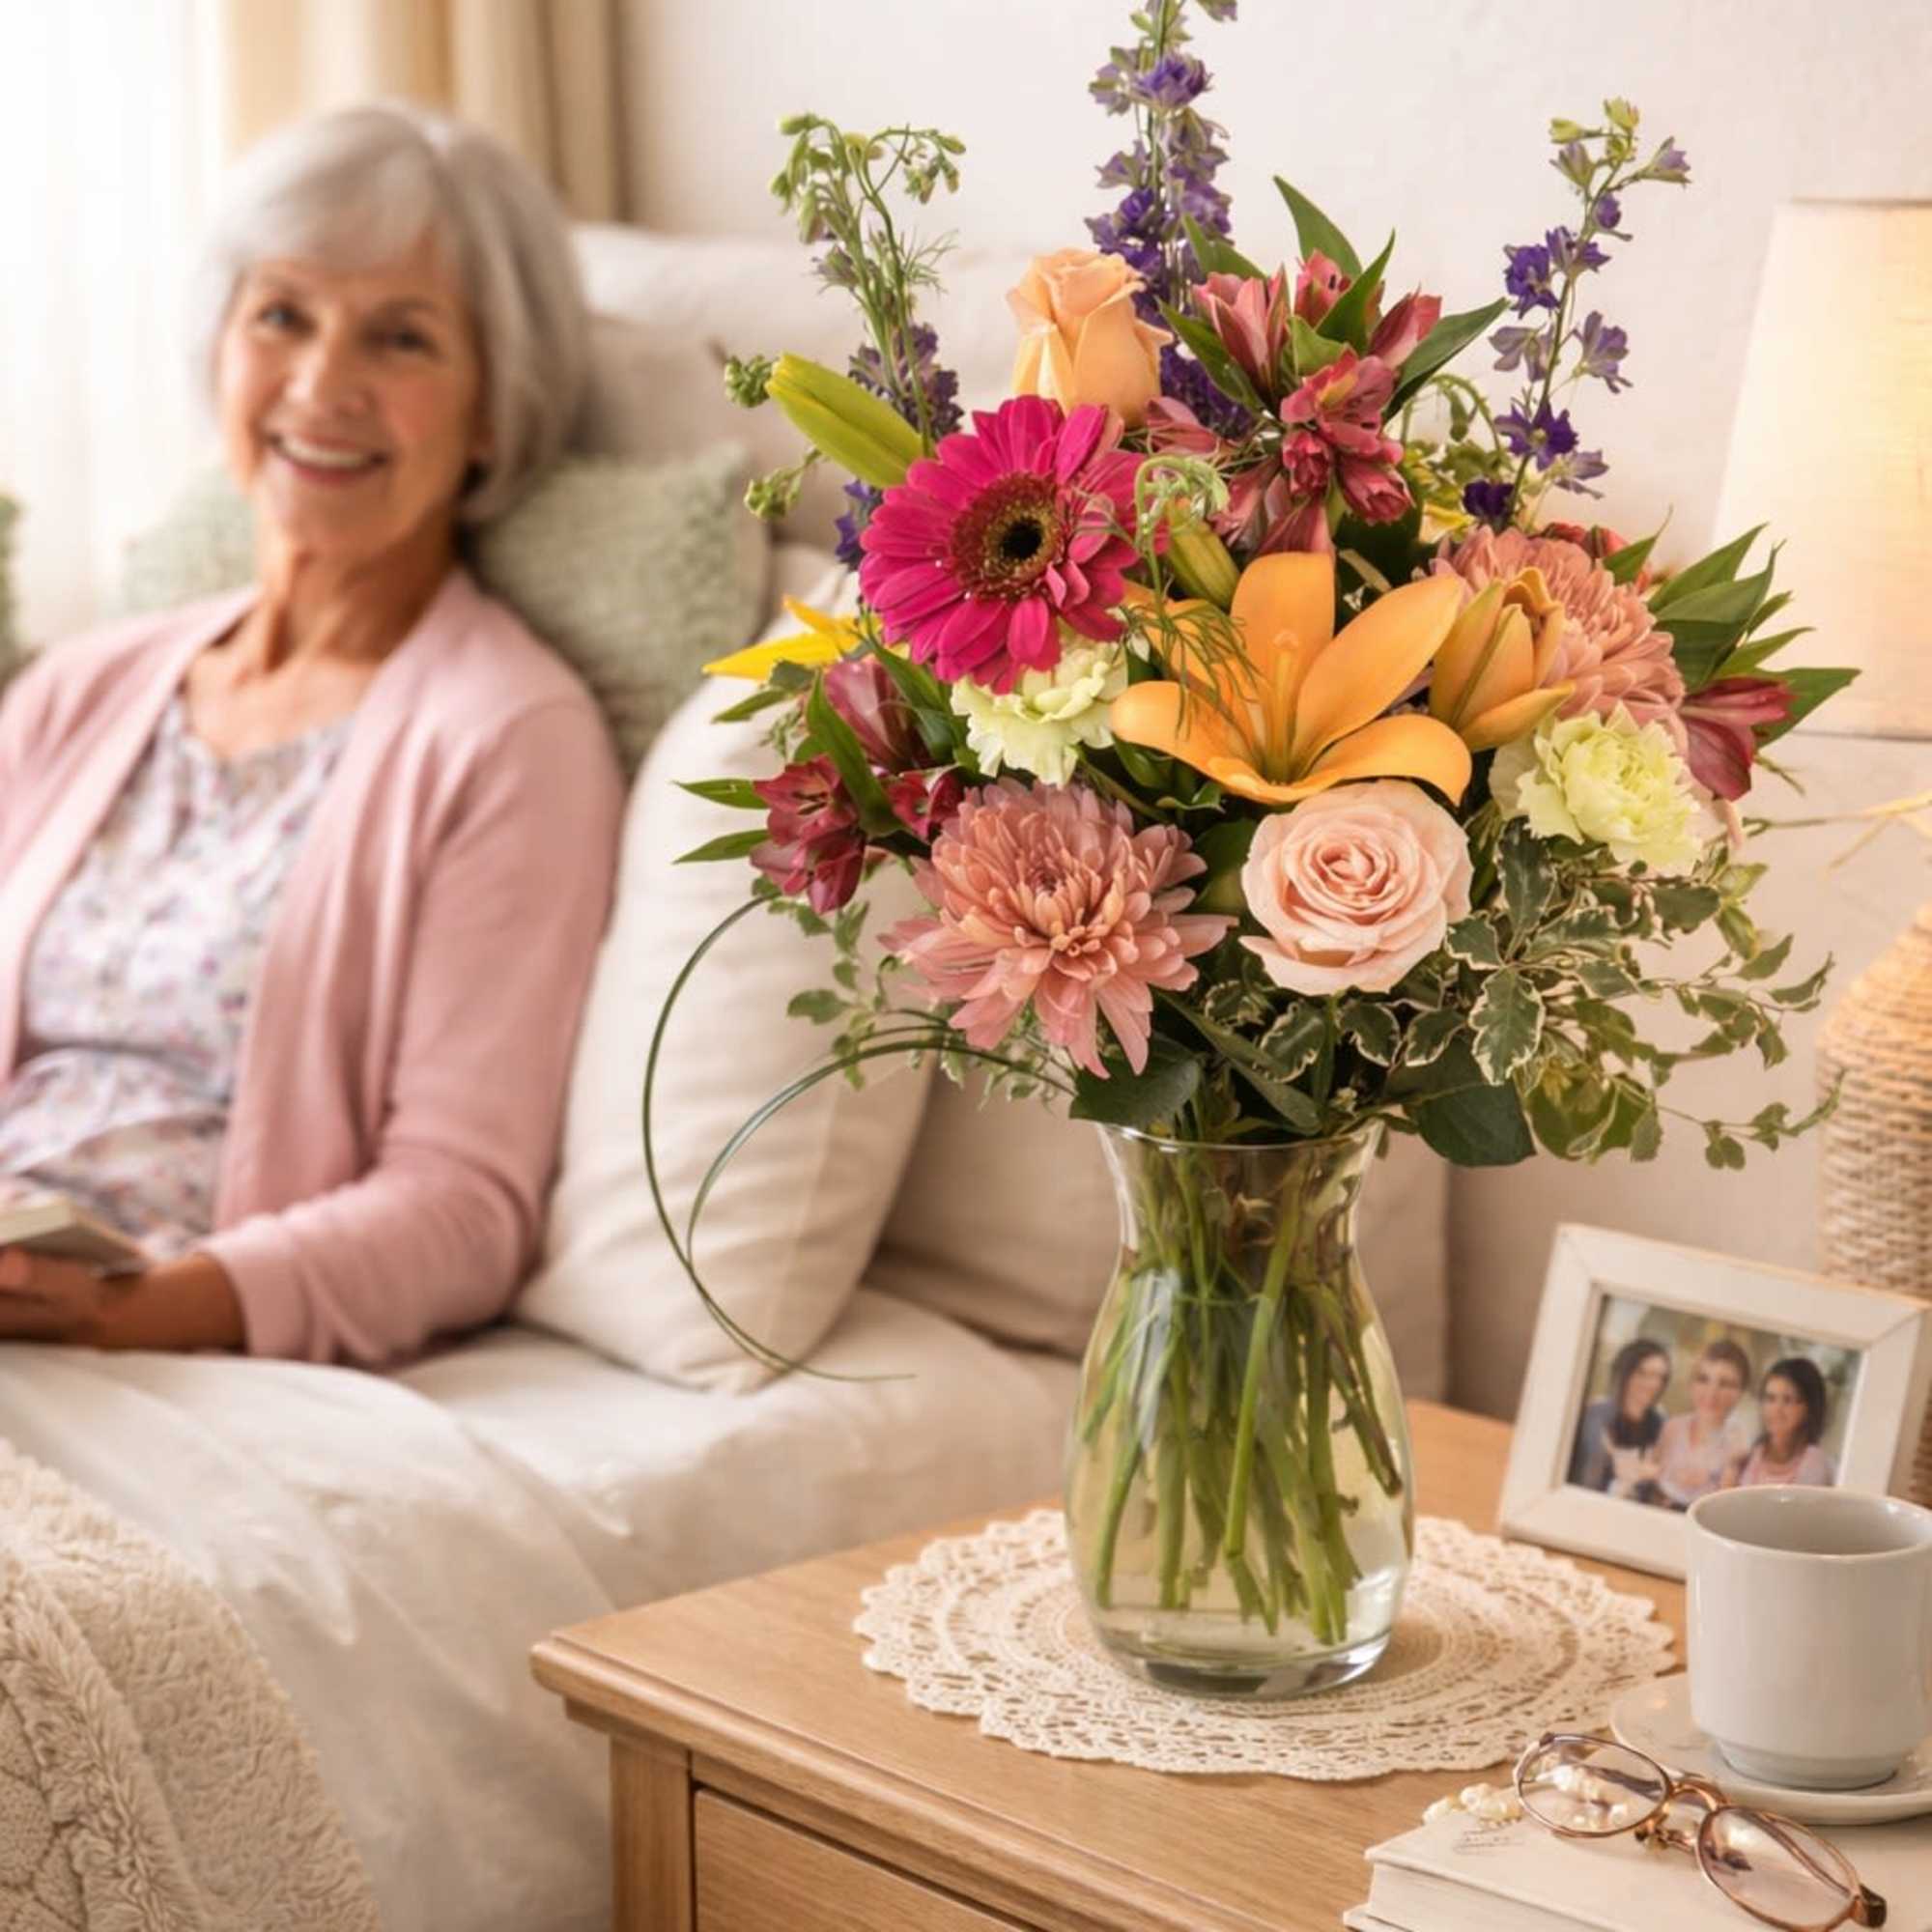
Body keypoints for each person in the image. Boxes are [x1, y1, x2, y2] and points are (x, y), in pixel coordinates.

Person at [0, 104, 622, 1367]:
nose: (320, 387)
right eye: (280, 315)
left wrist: (132, 1312)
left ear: (495, 407)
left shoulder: (510, 738)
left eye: (401, 338)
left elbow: (461, 1206)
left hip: (146, 1333)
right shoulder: (80, 687)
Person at [1651, 1338, 1752, 1508]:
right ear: (1691, 1384)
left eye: (1725, 1383)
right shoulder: (1672, 1427)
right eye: (1703, 1379)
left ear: (1740, 1393)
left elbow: (1727, 1507)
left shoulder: (1739, 1442)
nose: (1711, 1393)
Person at [1567, 1338, 1671, 1496]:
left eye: (1660, 1377)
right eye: (1643, 1374)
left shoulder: (1661, 1422)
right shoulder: (1594, 1416)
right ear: (1624, 1373)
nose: (1653, 1384)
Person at [1737, 1356, 1838, 1488]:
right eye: (1770, 1398)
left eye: (1788, 1400)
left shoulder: (1814, 1462)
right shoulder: (1755, 1453)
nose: (1776, 1409)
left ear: (1809, 1408)